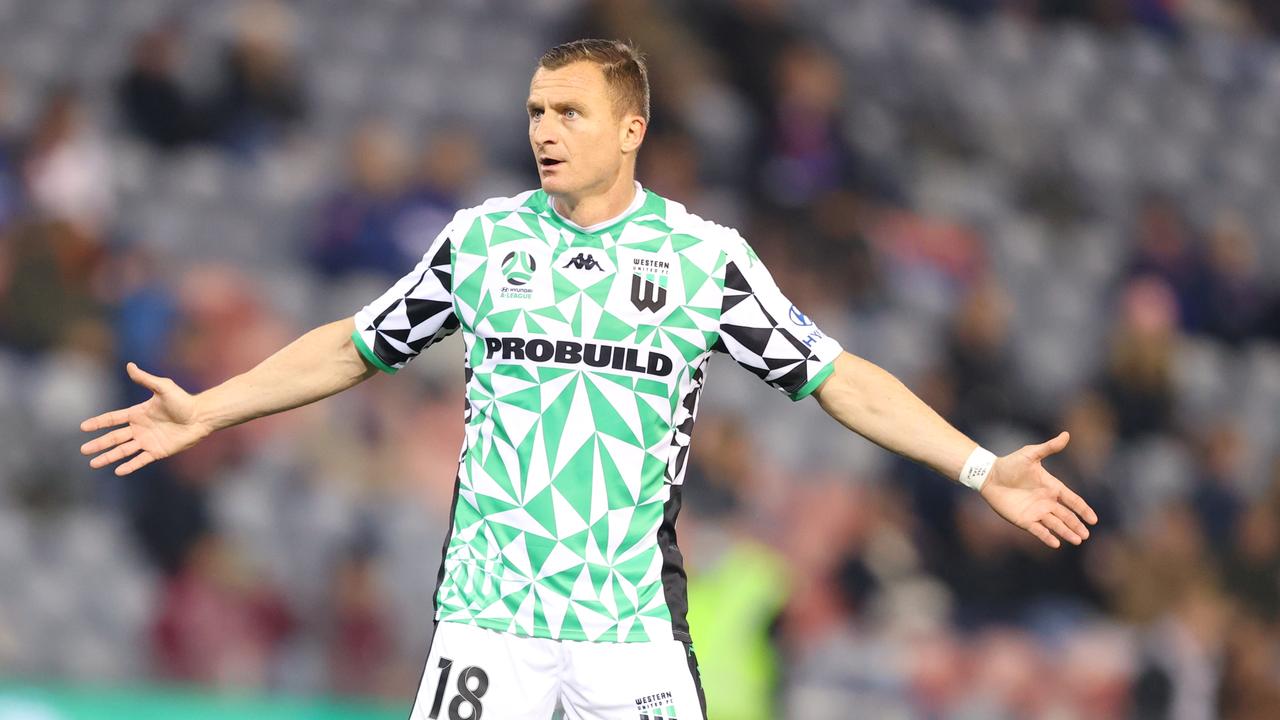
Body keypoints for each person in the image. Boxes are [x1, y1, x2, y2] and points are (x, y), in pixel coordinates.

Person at [80, 39, 1097, 720]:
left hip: (627, 630)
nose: (545, 130)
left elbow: (836, 378)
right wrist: (207, 409)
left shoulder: (704, 258)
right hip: (488, 619)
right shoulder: (480, 242)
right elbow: (354, 343)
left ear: (629, 130)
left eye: (570, 110)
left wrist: (977, 469)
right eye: (534, 110)